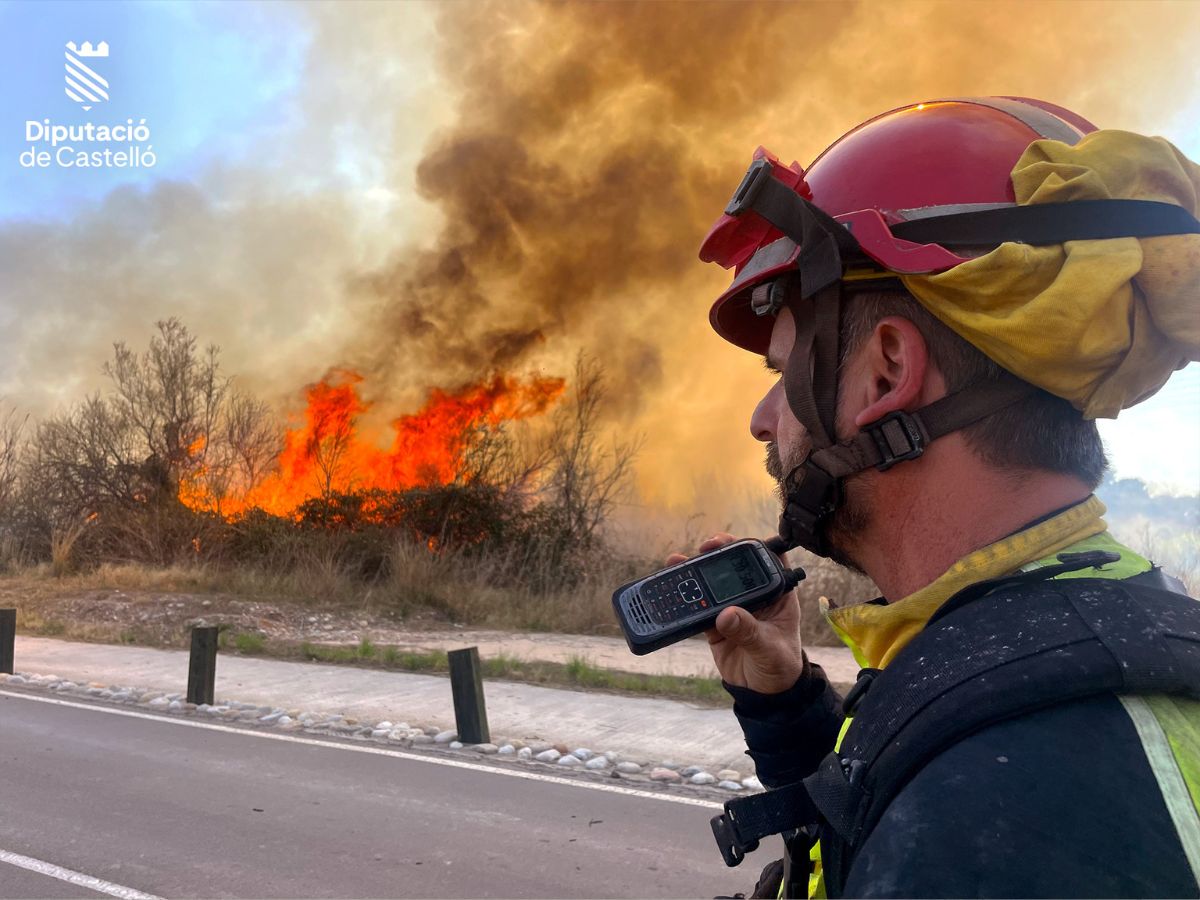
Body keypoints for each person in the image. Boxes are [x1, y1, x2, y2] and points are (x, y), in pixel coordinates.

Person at [678, 97, 1200, 898]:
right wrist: (788, 714)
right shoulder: (1072, 641)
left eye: (782, 376)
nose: (762, 420)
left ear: (889, 370)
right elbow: (897, 813)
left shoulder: (1015, 810)